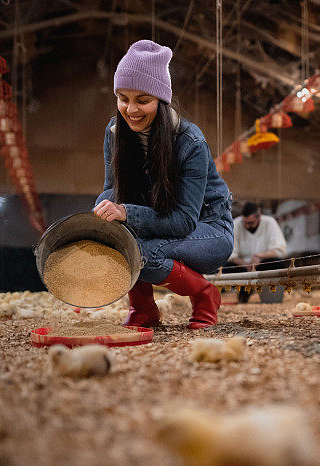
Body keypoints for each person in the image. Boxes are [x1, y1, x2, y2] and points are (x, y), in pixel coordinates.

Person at [92, 40, 233, 329]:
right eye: (122, 98)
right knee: (120, 240)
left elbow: (183, 221)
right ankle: (143, 310)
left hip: (207, 231)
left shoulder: (190, 142)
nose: (130, 109)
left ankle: (205, 294)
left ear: (161, 99)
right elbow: (111, 188)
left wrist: (127, 213)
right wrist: (102, 209)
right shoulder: (115, 132)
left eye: (142, 100)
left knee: (142, 252)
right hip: (160, 227)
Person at [223, 202, 287, 303]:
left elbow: (280, 250)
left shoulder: (270, 222)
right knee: (226, 267)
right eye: (245, 222)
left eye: (250, 223)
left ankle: (271, 297)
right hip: (242, 266)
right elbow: (231, 254)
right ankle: (243, 294)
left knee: (278, 263)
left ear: (259, 217)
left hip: (262, 264)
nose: (247, 226)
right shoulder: (236, 223)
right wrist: (245, 264)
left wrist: (260, 256)